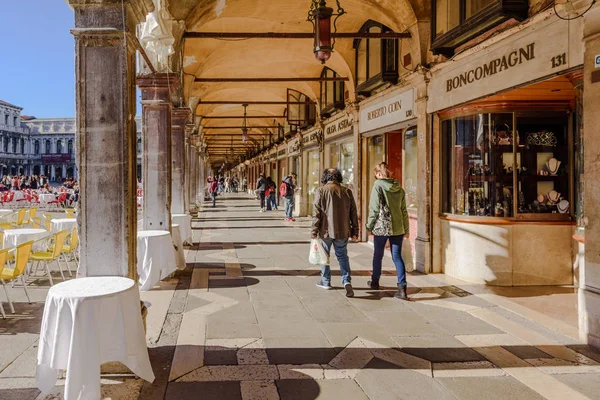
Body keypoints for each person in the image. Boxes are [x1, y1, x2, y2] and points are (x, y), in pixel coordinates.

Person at [365, 163, 410, 300]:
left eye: (375, 174)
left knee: (378, 255)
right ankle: (402, 289)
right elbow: (404, 211)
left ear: (379, 174)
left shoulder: (378, 186)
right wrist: (406, 229)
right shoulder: (399, 188)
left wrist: (369, 226)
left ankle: (375, 282)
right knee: (397, 256)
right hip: (398, 227)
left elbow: (374, 208)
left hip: (382, 227)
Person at [311, 168, 359, 297]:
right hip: (343, 230)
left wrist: (314, 231)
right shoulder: (347, 191)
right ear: (338, 177)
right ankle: (346, 281)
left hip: (325, 231)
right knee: (342, 256)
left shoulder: (321, 191)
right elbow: (353, 213)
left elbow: (316, 213)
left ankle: (326, 281)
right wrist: (355, 230)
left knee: (324, 256)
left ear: (326, 177)